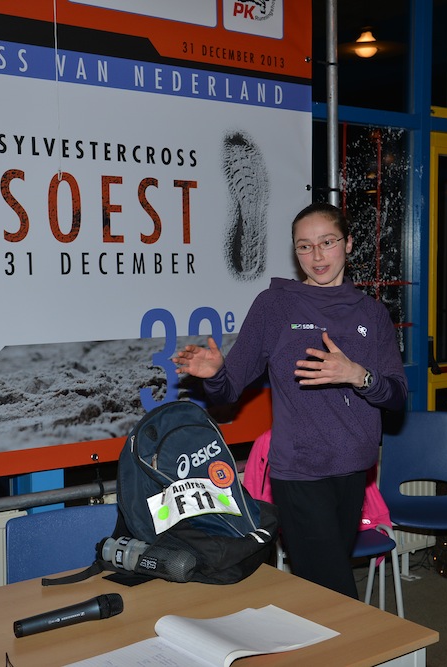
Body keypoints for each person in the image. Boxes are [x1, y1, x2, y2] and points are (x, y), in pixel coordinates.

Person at [173, 202, 407, 597]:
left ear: (348, 243)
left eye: (327, 242)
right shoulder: (275, 306)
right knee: (336, 593)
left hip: (355, 470)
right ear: (295, 252)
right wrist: (215, 374)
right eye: (304, 246)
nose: (317, 256)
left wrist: (357, 375)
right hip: (299, 472)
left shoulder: (372, 314)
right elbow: (229, 390)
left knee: (320, 591)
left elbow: (397, 398)